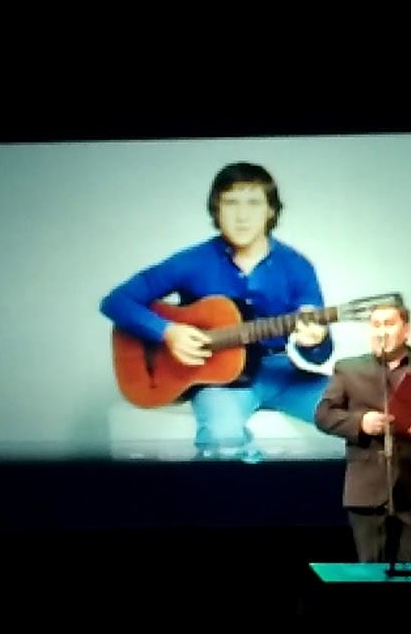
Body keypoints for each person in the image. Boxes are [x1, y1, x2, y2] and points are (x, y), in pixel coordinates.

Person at [100, 161, 333, 463]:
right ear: (216, 209)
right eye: (231, 203)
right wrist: (167, 332)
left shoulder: (297, 266)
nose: (242, 215)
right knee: (222, 441)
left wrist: (315, 340)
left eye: (253, 203)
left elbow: (320, 354)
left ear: (271, 211)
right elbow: (116, 301)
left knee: (360, 410)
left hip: (283, 375)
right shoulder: (192, 261)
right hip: (219, 383)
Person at [314, 294, 411, 562]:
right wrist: (360, 422)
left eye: (389, 324)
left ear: (406, 330)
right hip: (367, 491)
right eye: (375, 325)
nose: (381, 332)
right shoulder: (348, 370)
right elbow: (323, 415)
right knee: (372, 575)